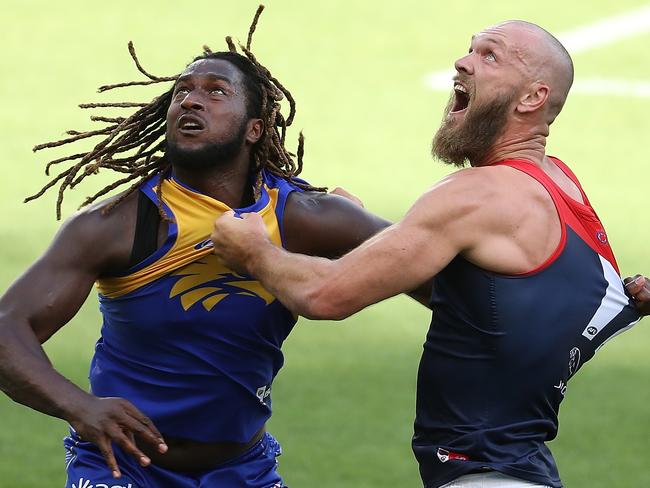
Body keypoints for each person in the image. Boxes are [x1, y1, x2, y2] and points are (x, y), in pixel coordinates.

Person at [212, 20, 650, 488]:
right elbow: (479, 300)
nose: (463, 62)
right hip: (523, 469)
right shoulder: (559, 184)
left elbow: (326, 295)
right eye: (470, 50)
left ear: (531, 98)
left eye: (490, 56)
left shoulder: (476, 195)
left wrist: (253, 251)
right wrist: (358, 236)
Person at [0, 9, 417, 488]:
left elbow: (434, 271)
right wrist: (80, 407)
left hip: (243, 468)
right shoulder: (116, 226)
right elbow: (7, 328)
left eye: (215, 91)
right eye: (182, 92)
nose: (191, 102)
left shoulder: (303, 218)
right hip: (123, 468)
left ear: (254, 128)